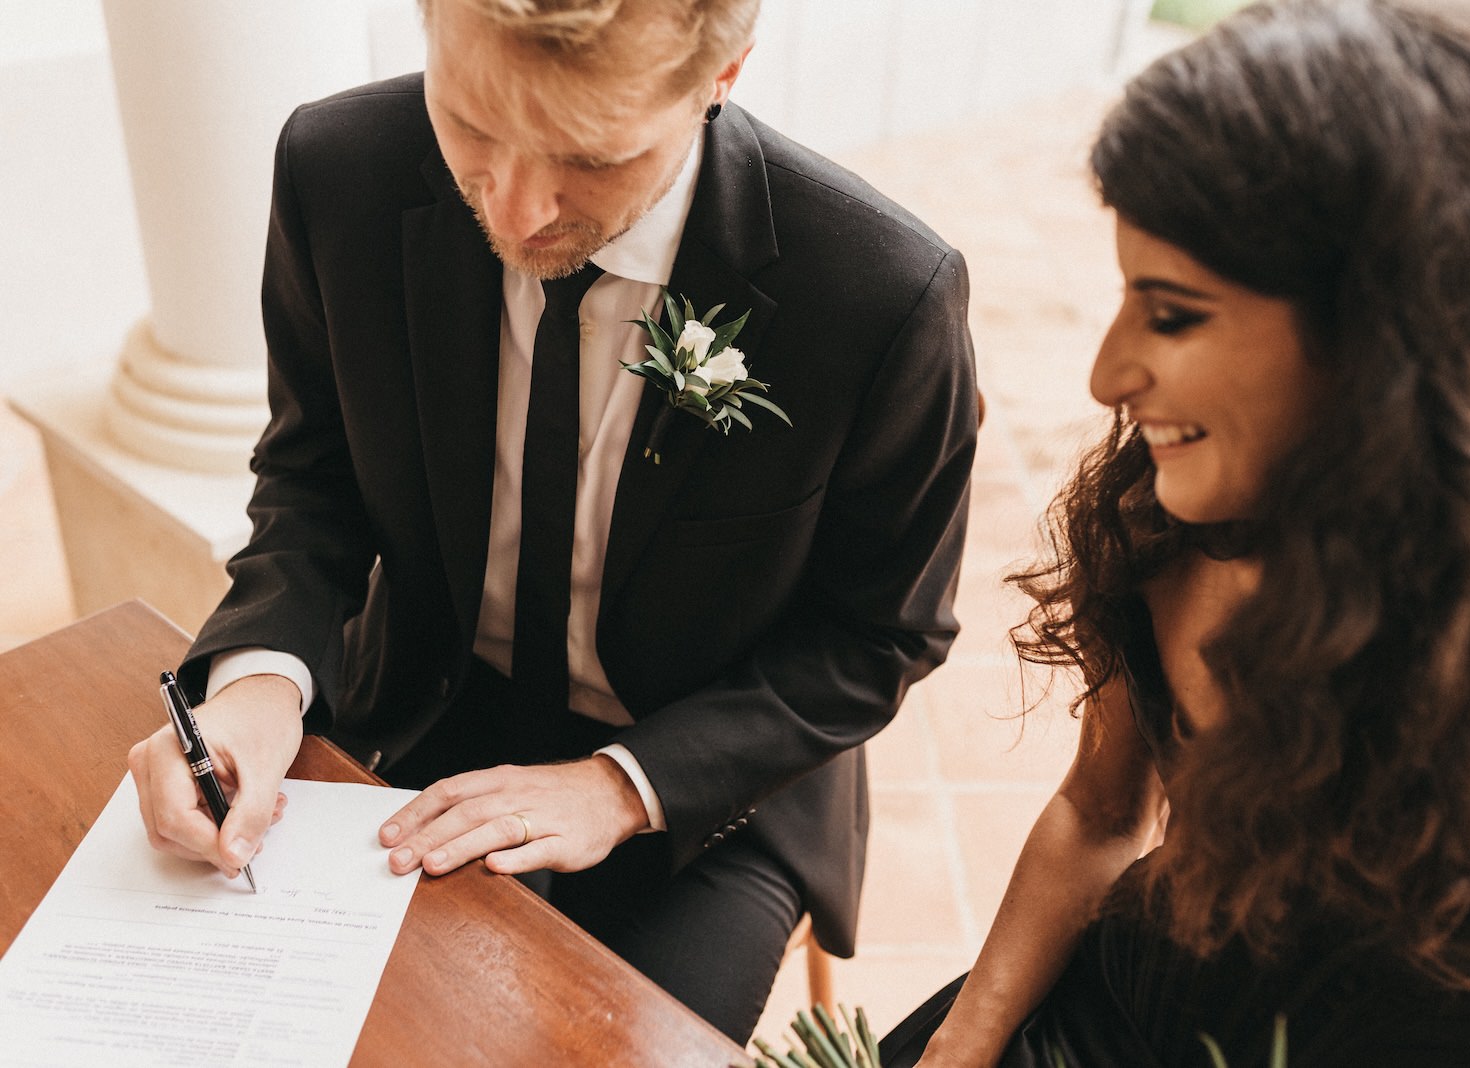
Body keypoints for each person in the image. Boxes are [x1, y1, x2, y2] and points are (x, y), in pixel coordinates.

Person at [125, 0, 978, 1043]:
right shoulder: (335, 170)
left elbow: (880, 632)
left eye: (589, 153)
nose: (521, 211)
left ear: (724, 75)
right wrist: (258, 685)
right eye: (472, 123)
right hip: (425, 700)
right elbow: (314, 479)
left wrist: (621, 788)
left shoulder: (880, 295)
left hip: (701, 787)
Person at [881, 1, 1470, 1065]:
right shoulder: (1163, 522)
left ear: (1386, 340)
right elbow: (1094, 813)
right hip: (1073, 1027)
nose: (1106, 376)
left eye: (1170, 312)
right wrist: (965, 1043)